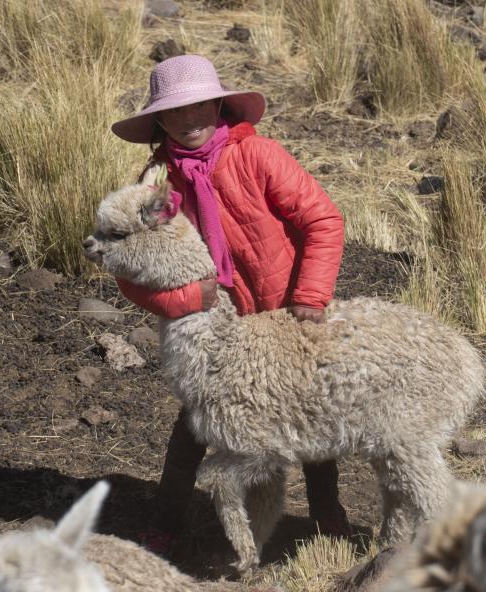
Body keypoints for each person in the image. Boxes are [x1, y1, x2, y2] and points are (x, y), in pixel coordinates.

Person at [110, 55, 350, 556]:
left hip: (287, 318)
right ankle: (166, 526)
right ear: (159, 120)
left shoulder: (258, 156)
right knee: (194, 427)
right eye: (175, 112)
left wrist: (308, 297)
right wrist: (185, 299)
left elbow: (323, 221)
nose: (190, 120)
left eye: (199, 107)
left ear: (219, 105)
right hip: (217, 331)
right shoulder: (158, 183)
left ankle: (329, 519)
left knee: (310, 418)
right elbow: (128, 267)